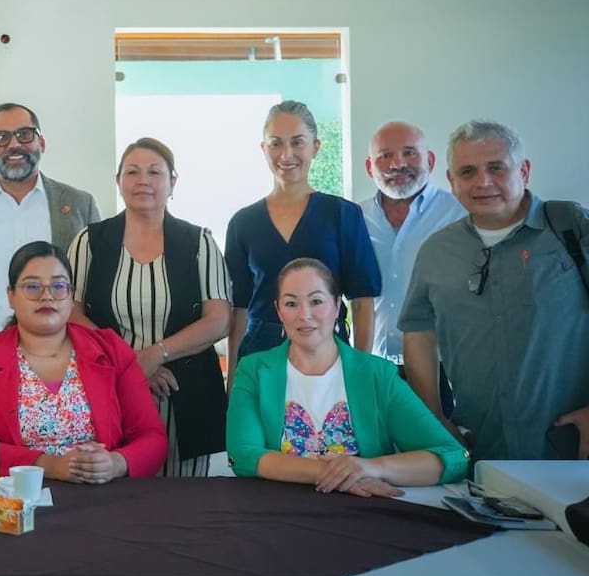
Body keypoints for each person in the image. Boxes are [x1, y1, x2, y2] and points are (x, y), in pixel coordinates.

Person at [402, 120, 589, 463]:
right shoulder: (437, 252)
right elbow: (419, 332)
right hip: (481, 450)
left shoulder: (571, 228)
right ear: (452, 181)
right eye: (468, 171)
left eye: (496, 168)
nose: (483, 182)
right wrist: (433, 419)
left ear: (525, 170)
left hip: (572, 450)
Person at [227, 258, 467, 496]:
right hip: (276, 515)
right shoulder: (253, 370)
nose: (304, 315)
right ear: (279, 311)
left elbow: (453, 457)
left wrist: (369, 468)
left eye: (316, 301)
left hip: (365, 515)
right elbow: (243, 456)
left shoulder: (378, 374)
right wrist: (334, 474)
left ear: (337, 307)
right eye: (291, 304)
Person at [68, 138, 230, 477]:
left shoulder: (198, 241)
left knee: (185, 504)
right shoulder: (90, 241)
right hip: (110, 386)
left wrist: (156, 354)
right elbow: (71, 312)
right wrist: (132, 364)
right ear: (118, 182)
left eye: (155, 172)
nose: (143, 180)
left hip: (186, 393)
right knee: (115, 497)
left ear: (173, 182)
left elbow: (218, 320)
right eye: (133, 171)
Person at [0, 241, 168, 481]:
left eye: (58, 286)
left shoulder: (111, 350)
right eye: (32, 287)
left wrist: (116, 463)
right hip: (17, 502)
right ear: (10, 296)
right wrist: (50, 466)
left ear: (71, 296)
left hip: (101, 496)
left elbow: (152, 438)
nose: (47, 296)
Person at [225, 100, 381, 379]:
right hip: (261, 358)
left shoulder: (342, 214)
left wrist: (359, 370)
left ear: (315, 147)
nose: (287, 154)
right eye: (276, 144)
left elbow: (362, 301)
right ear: (264, 149)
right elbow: (238, 311)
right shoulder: (243, 222)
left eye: (298, 142)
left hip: (329, 355)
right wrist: (234, 385)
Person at [0, 103, 100, 334]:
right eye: (1, 137)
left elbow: (95, 281)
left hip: (64, 351)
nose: (14, 144)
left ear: (42, 143)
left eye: (25, 134)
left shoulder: (80, 204)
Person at [359, 122, 465, 365]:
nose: (398, 164)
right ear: (369, 167)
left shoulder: (460, 214)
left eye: (409, 153)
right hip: (375, 366)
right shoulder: (354, 218)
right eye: (385, 156)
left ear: (430, 160)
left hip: (443, 366)